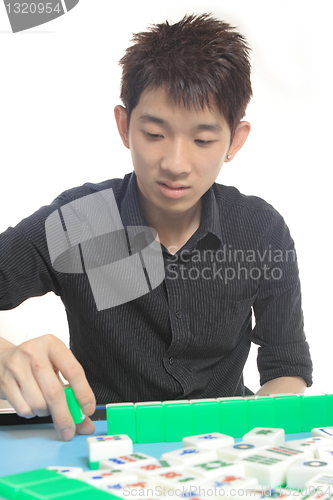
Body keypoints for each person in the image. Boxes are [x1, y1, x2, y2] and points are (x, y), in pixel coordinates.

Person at [0, 14, 312, 441]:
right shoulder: (81, 222)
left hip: (221, 455)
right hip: (97, 449)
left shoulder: (260, 231)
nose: (176, 165)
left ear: (235, 141)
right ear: (124, 126)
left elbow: (287, 370)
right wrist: (4, 357)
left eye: (203, 141)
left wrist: (253, 446)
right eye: (154, 133)